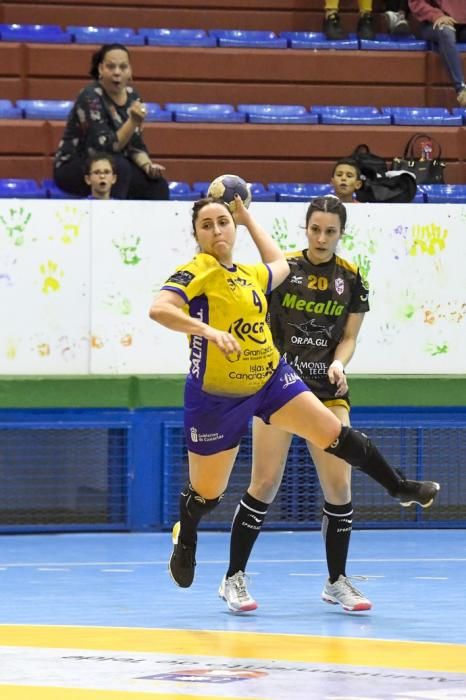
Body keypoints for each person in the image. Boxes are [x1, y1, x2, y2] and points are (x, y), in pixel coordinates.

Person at [149, 195, 440, 596]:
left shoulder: (250, 273)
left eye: (223, 222)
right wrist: (209, 332)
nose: (217, 230)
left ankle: (400, 487)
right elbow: (159, 309)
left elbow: (282, 267)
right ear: (196, 234)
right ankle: (187, 531)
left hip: (270, 379)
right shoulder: (196, 270)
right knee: (207, 494)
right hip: (216, 399)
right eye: (207, 225)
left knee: (336, 434)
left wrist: (248, 217)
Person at [53, 43, 169, 200]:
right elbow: (106, 147)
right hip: (76, 165)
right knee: (119, 168)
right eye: (111, 67)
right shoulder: (90, 96)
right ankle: (113, 221)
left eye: (123, 67)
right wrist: (133, 121)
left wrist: (147, 166)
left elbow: (134, 145)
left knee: (156, 184)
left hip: (114, 166)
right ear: (101, 69)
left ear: (130, 71)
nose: (117, 72)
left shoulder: (133, 97)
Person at [408, 0, 466, 106]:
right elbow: (417, 2)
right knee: (446, 31)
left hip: (461, 24)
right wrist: (436, 15)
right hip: (432, 22)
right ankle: (461, 90)